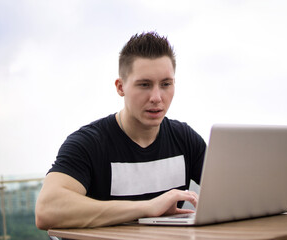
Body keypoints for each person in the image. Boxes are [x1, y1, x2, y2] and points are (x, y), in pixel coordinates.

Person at [35, 32, 206, 230]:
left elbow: (234, 193)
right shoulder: (89, 143)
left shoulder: (185, 139)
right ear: (120, 87)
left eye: (166, 84)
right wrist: (147, 208)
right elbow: (47, 209)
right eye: (144, 85)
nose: (157, 97)